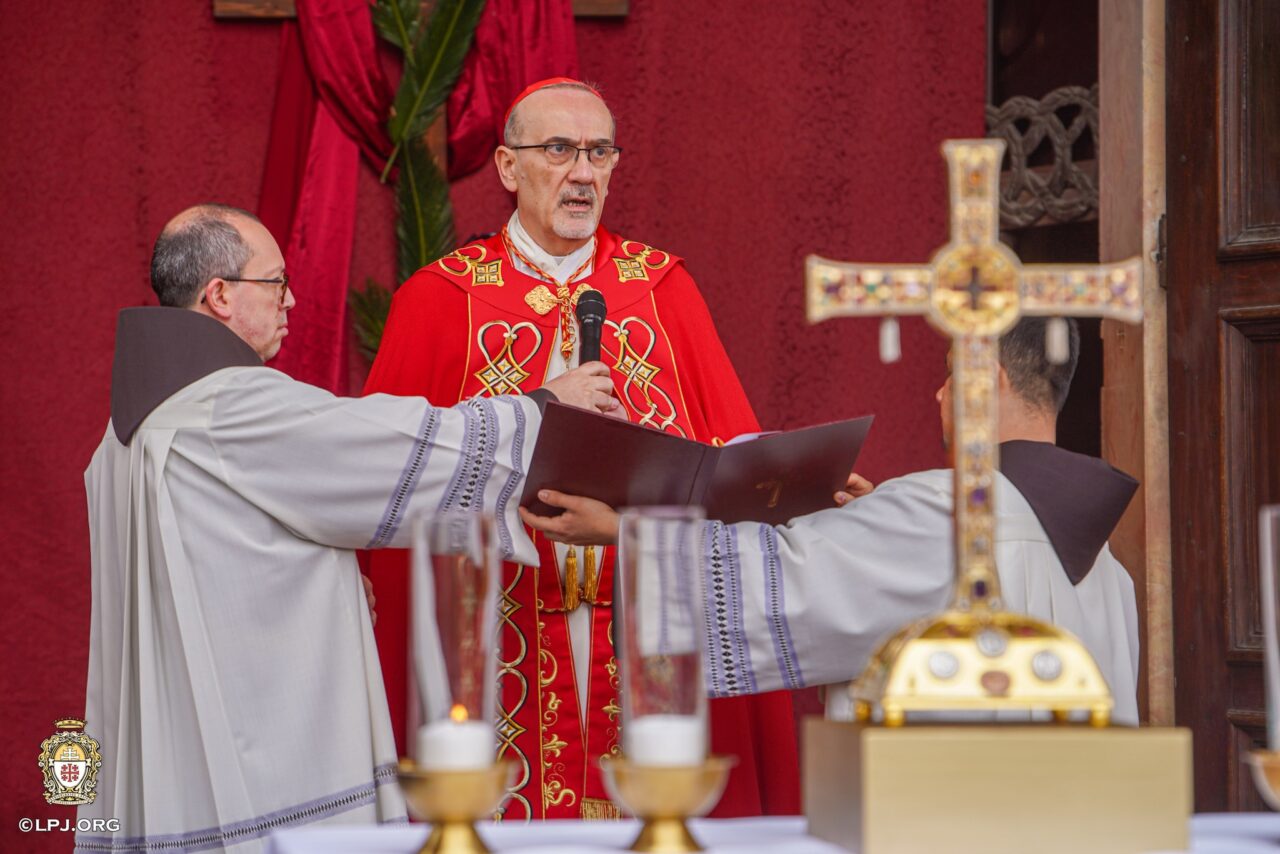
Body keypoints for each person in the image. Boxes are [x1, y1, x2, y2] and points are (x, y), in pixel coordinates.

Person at [76, 204, 615, 853]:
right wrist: (545, 406)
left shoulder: (120, 437)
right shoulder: (233, 407)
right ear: (218, 294)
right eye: (274, 282)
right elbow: (401, 449)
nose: (292, 299)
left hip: (169, 750)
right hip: (265, 763)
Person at [363, 78, 799, 819]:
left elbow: (731, 455)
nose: (583, 172)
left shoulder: (663, 290)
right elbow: (389, 482)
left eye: (599, 151)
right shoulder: (442, 300)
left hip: (644, 631)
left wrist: (798, 481)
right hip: (499, 628)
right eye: (559, 149)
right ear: (507, 167)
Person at [523, 317, 1142, 725]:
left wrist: (622, 533)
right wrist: (874, 523)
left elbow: (776, 589)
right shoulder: (1110, 571)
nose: (939, 395)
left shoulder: (945, 512)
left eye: (952, 373)